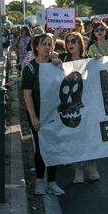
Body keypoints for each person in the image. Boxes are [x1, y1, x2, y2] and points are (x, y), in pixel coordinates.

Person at [21, 33, 65, 196]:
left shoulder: (55, 65)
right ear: (36, 47)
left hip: (54, 113)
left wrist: (59, 65)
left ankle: (52, 182)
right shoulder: (30, 68)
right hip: (38, 114)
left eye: (49, 44)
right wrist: (33, 118)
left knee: (53, 147)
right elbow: (27, 95)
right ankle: (40, 181)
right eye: (44, 44)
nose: (47, 47)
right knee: (41, 147)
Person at [56, 32, 100, 183]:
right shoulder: (63, 59)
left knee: (88, 137)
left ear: (80, 42)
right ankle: (78, 169)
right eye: (67, 41)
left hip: (87, 105)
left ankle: (92, 166)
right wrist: (55, 62)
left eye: (73, 40)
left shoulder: (88, 59)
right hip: (69, 107)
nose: (70, 43)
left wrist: (99, 62)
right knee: (74, 138)